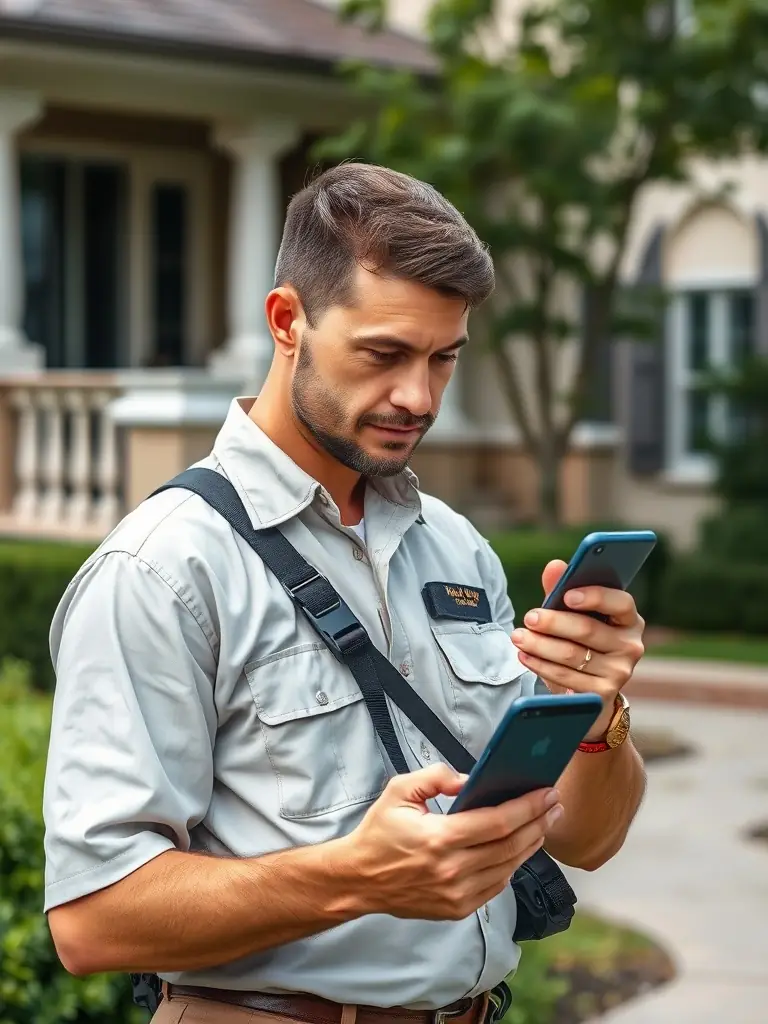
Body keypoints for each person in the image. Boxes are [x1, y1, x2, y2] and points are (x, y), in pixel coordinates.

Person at [43, 163, 647, 1024]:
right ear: (287, 321)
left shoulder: (455, 546)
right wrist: (352, 877)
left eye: (444, 359)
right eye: (384, 354)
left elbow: (587, 839)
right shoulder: (160, 569)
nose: (418, 397)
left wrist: (598, 712)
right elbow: (90, 921)